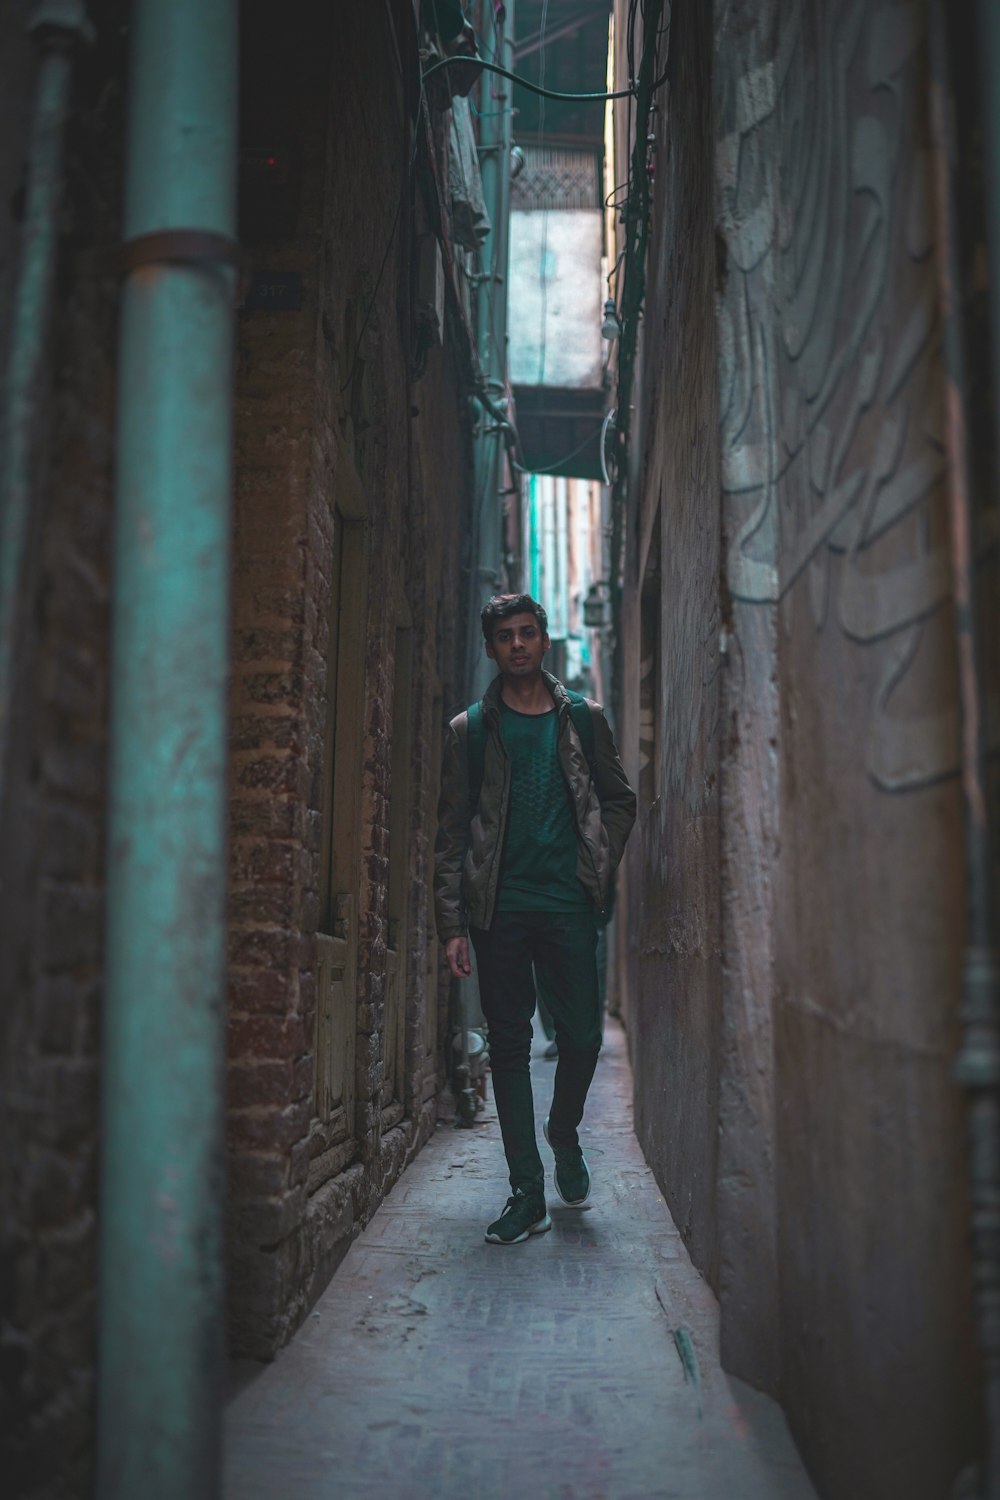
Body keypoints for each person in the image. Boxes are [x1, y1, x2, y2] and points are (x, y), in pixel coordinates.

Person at [434, 594, 636, 1244]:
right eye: (504, 637)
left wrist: (598, 862)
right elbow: (450, 833)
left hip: (568, 905)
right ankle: (527, 1192)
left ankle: (564, 1133)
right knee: (511, 1046)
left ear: (544, 640)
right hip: (498, 910)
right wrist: (452, 924)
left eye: (526, 633)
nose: (516, 645)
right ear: (492, 648)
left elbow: (619, 799)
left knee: (581, 1039)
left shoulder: (583, 718)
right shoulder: (471, 730)